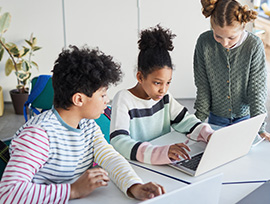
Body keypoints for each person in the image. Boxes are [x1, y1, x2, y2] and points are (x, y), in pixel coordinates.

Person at [0, 46, 165, 203]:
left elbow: (110, 157)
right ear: (79, 99)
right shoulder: (39, 135)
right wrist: (72, 190)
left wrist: (134, 186)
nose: (107, 101)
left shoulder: (88, 125)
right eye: (102, 95)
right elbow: (8, 193)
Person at [110, 25, 214, 165]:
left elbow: (184, 120)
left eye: (168, 83)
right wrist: (159, 153)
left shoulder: (164, 97)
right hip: (138, 165)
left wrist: (207, 133)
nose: (163, 90)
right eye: (157, 83)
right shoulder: (124, 99)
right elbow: (119, 141)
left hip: (163, 163)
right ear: (140, 77)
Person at [193, 0, 270, 142]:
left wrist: (260, 128)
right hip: (216, 118)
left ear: (243, 27)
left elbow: (257, 90)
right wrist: (195, 123)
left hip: (245, 120)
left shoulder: (254, 46)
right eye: (218, 36)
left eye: (231, 37)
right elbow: (203, 86)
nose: (224, 43)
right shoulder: (204, 42)